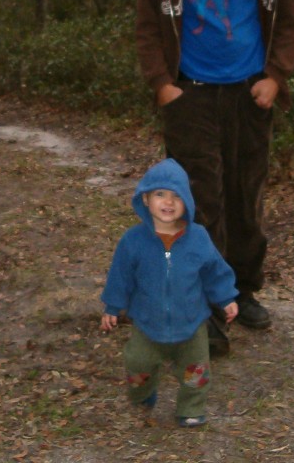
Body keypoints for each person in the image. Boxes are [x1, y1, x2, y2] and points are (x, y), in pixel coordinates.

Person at [135, 0, 294, 356]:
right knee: (196, 202)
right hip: (191, 91)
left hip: (250, 90)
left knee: (244, 196)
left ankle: (242, 291)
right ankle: (202, 308)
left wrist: (275, 75)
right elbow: (146, 19)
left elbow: (288, 14)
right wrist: (163, 84)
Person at [100, 158, 239, 428]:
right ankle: (143, 393)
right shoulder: (133, 240)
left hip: (191, 323)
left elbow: (214, 270)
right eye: (160, 194)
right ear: (146, 199)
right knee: (137, 364)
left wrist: (227, 297)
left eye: (177, 195)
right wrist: (112, 307)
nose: (168, 201)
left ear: (187, 201)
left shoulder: (198, 238)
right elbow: (120, 276)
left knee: (196, 371)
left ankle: (191, 407)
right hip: (147, 325)